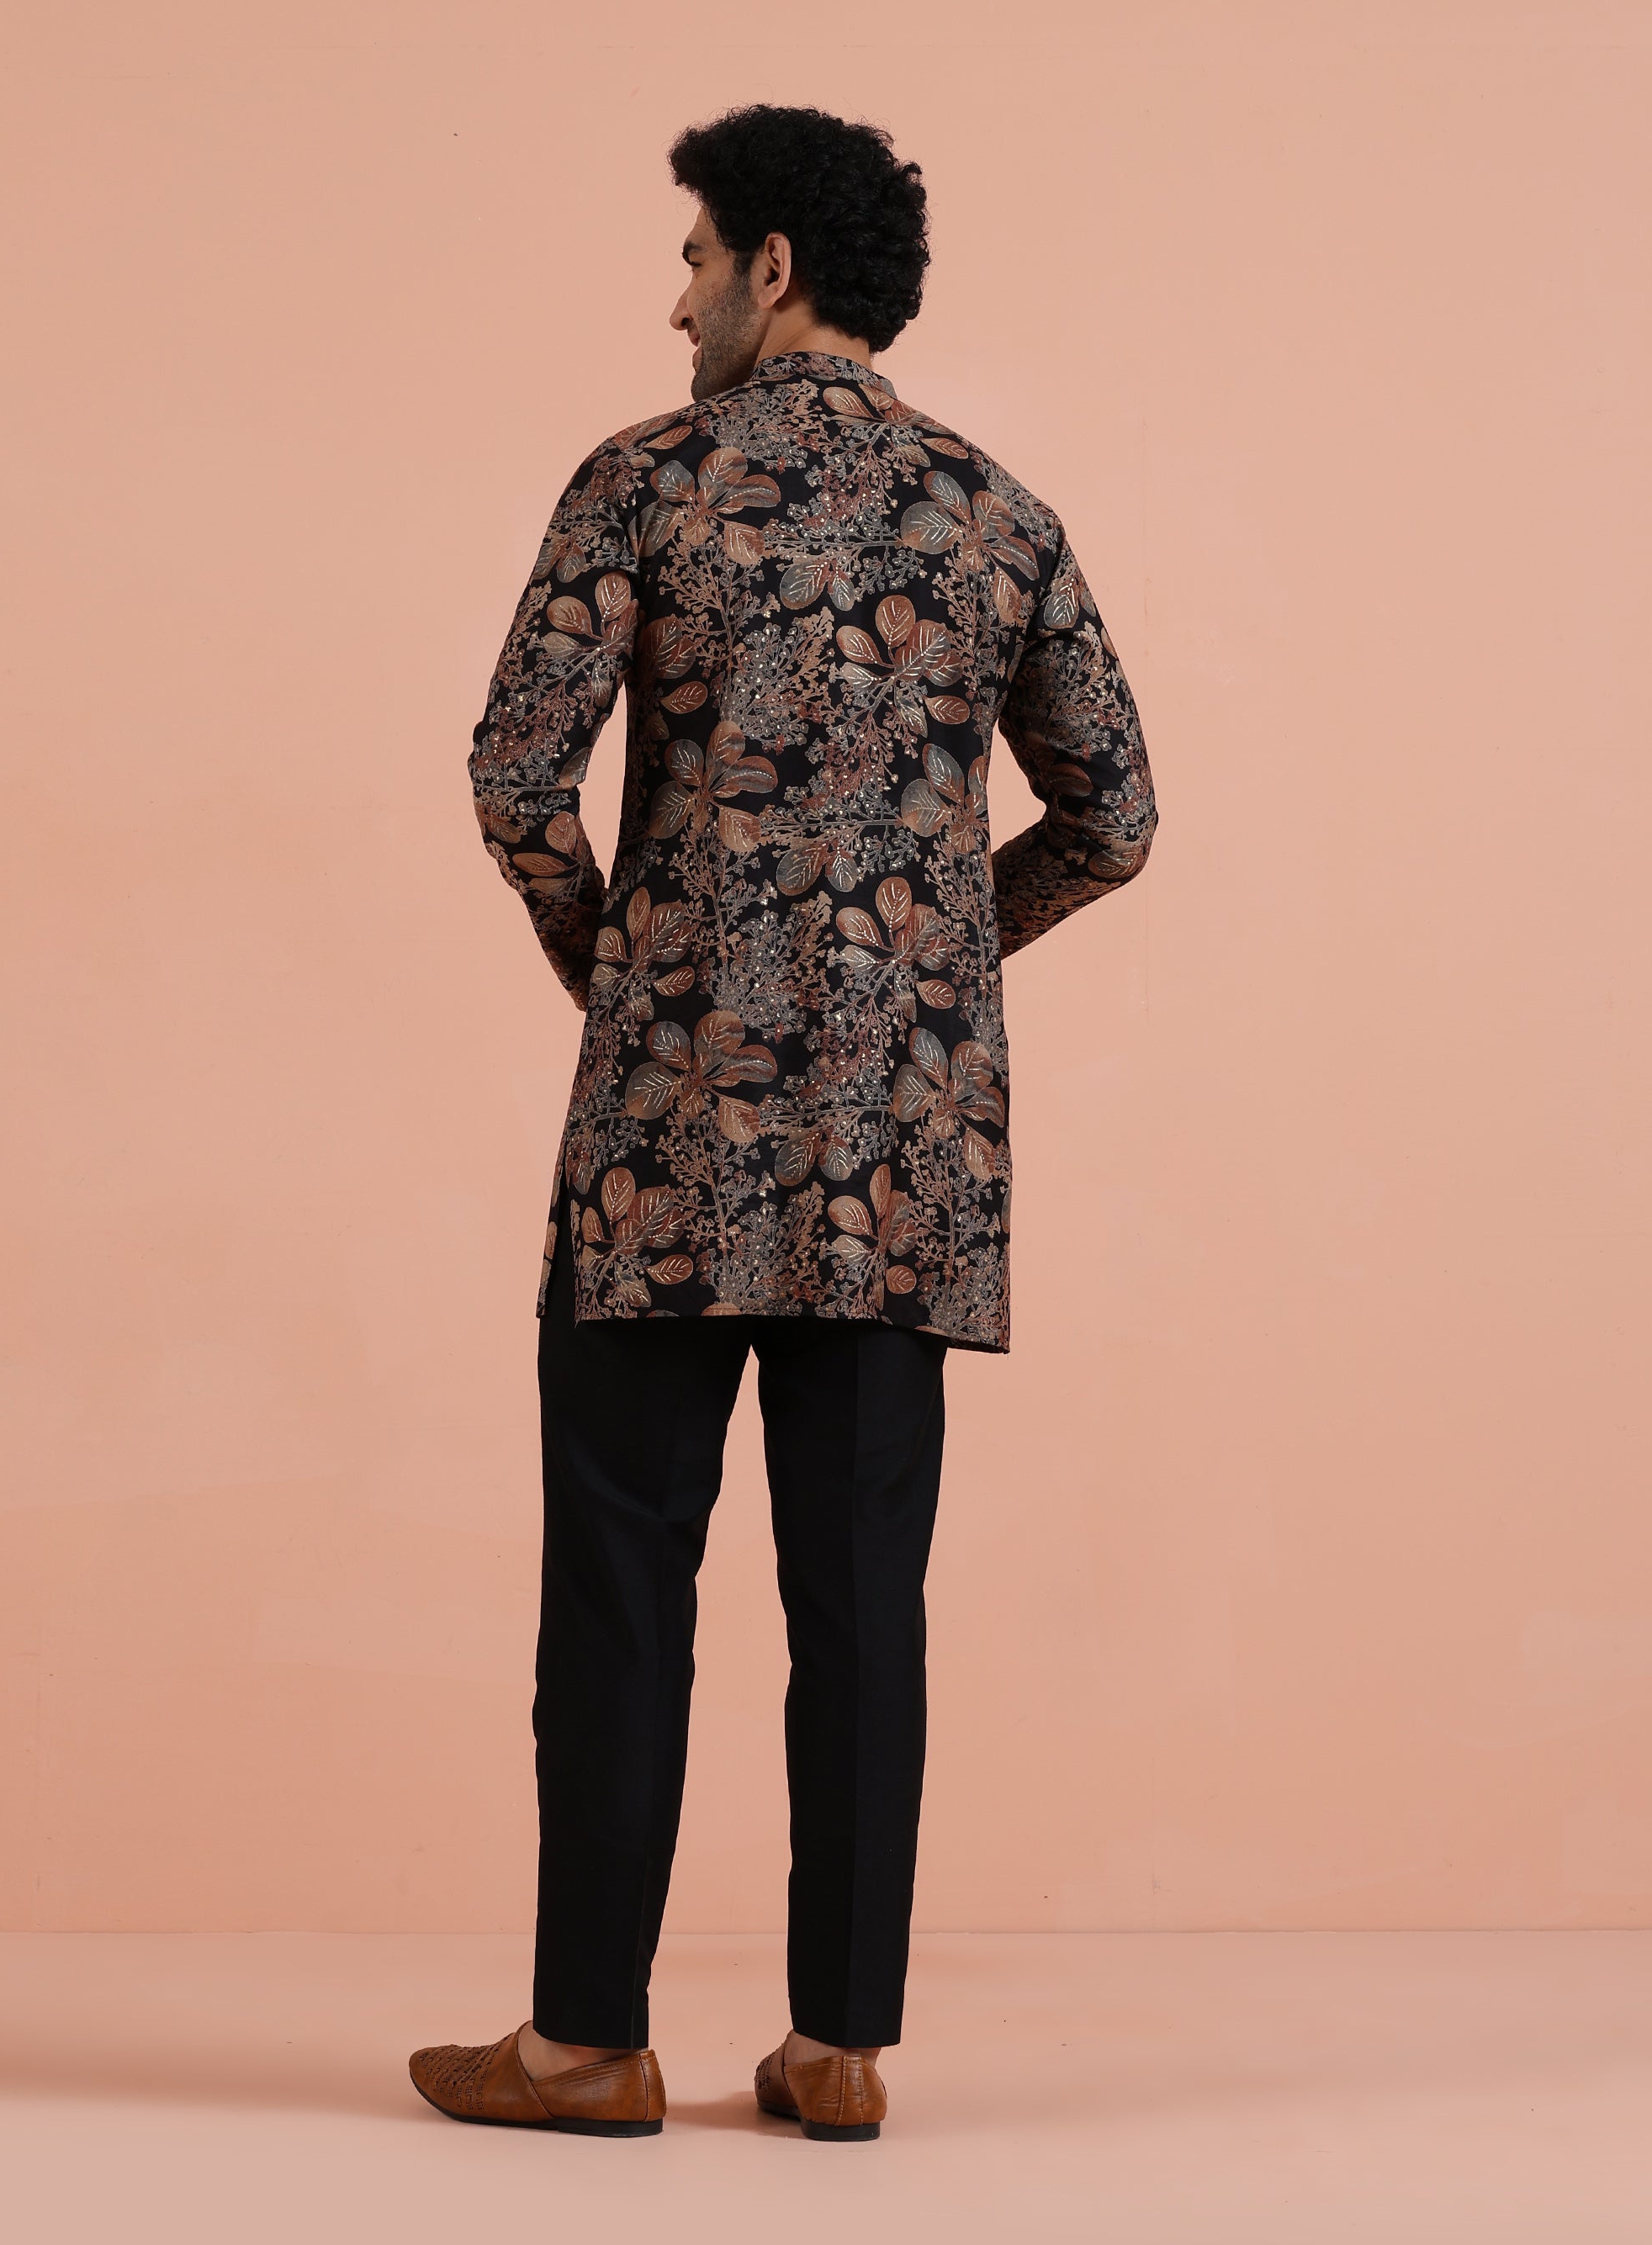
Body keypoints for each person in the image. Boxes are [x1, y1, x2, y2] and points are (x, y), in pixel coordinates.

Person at [410, 104, 1157, 2142]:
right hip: (900, 1161)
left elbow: (515, 778)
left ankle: (585, 2043)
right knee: (861, 1602)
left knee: (620, 1585)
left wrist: (622, 964)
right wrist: (935, 966)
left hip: (669, 1143)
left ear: (770, 265)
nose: (676, 303)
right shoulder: (996, 514)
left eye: (692, 256)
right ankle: (841, 2050)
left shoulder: (646, 478)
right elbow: (1116, 817)